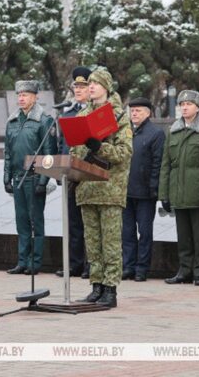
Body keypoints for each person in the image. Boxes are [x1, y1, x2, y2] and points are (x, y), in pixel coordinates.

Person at [70, 68, 132, 307]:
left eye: (96, 83)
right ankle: (96, 286)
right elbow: (75, 150)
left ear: (107, 87)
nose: (91, 86)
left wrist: (100, 148)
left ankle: (110, 289)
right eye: (90, 83)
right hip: (86, 188)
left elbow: (125, 153)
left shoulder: (118, 116)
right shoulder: (82, 115)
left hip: (109, 188)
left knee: (111, 242)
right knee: (92, 242)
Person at [159, 90, 199, 286]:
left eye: (188, 104)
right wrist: (164, 194)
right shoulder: (173, 130)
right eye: (182, 104)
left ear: (198, 107)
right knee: (183, 235)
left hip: (197, 192)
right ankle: (184, 270)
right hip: (178, 191)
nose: (184, 107)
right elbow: (166, 165)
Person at [3, 80, 57, 275]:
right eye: (19, 95)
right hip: (18, 177)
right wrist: (6, 177)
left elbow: (50, 153)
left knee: (36, 223)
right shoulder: (13, 121)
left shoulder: (44, 120)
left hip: (34, 178)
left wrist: (43, 180)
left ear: (35, 97)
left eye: (25, 95)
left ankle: (35, 262)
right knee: (22, 222)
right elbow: (8, 152)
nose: (21, 98)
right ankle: (22, 261)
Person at [122, 96, 165, 282]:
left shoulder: (155, 134)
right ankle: (128, 266)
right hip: (126, 191)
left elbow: (158, 163)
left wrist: (154, 187)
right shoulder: (126, 133)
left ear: (148, 113)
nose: (134, 114)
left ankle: (142, 268)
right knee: (127, 232)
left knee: (145, 232)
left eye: (138, 110)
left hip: (146, 192)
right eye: (132, 110)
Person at [54, 67, 92, 279]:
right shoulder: (67, 113)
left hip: (89, 174)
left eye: (83, 86)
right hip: (70, 175)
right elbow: (62, 145)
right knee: (73, 223)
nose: (78, 90)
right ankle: (75, 264)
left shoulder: (95, 113)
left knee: (89, 223)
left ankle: (89, 265)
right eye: (76, 87)